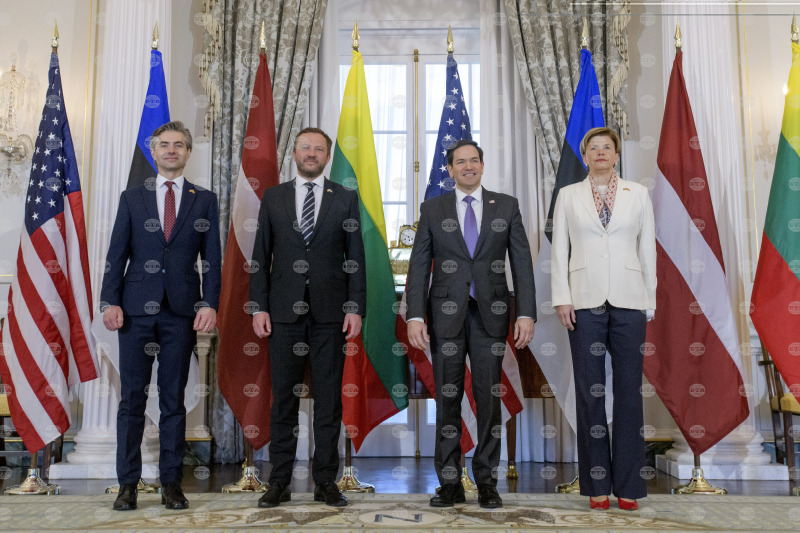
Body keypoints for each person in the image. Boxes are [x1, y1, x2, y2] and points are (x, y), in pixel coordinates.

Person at [406, 139, 536, 509]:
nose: (468, 166)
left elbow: (521, 262)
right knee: (448, 399)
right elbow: (419, 265)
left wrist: (525, 313)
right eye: (460, 162)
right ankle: (449, 484)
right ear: (449, 169)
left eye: (474, 160)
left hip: (490, 316)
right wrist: (415, 316)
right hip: (444, 317)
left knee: (488, 401)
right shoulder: (433, 209)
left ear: (482, 164)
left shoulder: (506, 206)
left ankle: (487, 483)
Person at [101, 121, 221, 511]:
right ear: (153, 152)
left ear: (188, 152)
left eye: (179, 144)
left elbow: (212, 260)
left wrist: (209, 303)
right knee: (131, 401)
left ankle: (171, 483)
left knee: (173, 400)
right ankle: (128, 485)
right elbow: (117, 254)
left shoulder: (204, 200)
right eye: (164, 144)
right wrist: (109, 301)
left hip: (181, 313)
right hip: (134, 311)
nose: (171, 150)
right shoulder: (132, 197)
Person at [249, 127, 366, 508]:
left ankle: (325, 482)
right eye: (305, 147)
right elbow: (260, 254)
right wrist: (259, 306)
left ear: (327, 157)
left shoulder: (345, 198)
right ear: (294, 154)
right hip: (283, 313)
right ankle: (279, 481)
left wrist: (355, 308)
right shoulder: (274, 197)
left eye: (318, 149)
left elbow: (355, 257)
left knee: (329, 402)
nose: (311, 153)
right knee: (283, 401)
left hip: (331, 314)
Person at [551, 127, 656, 511]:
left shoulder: (637, 193)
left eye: (607, 147)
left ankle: (629, 486)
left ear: (616, 155)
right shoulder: (568, 195)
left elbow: (647, 250)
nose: (600, 152)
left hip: (630, 300)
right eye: (593, 147)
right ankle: (596, 486)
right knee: (590, 392)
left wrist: (649, 300)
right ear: (584, 156)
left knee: (629, 393)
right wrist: (562, 298)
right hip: (583, 302)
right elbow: (559, 250)